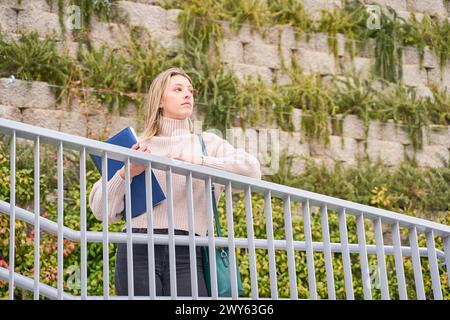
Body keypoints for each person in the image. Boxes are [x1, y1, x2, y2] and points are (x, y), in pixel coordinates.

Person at [89, 67, 261, 298]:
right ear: (159, 100)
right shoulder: (136, 145)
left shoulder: (206, 144)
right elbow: (99, 209)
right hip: (137, 247)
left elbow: (252, 171)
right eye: (178, 90)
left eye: (190, 90)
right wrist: (126, 173)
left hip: (188, 251)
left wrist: (200, 163)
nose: (188, 95)